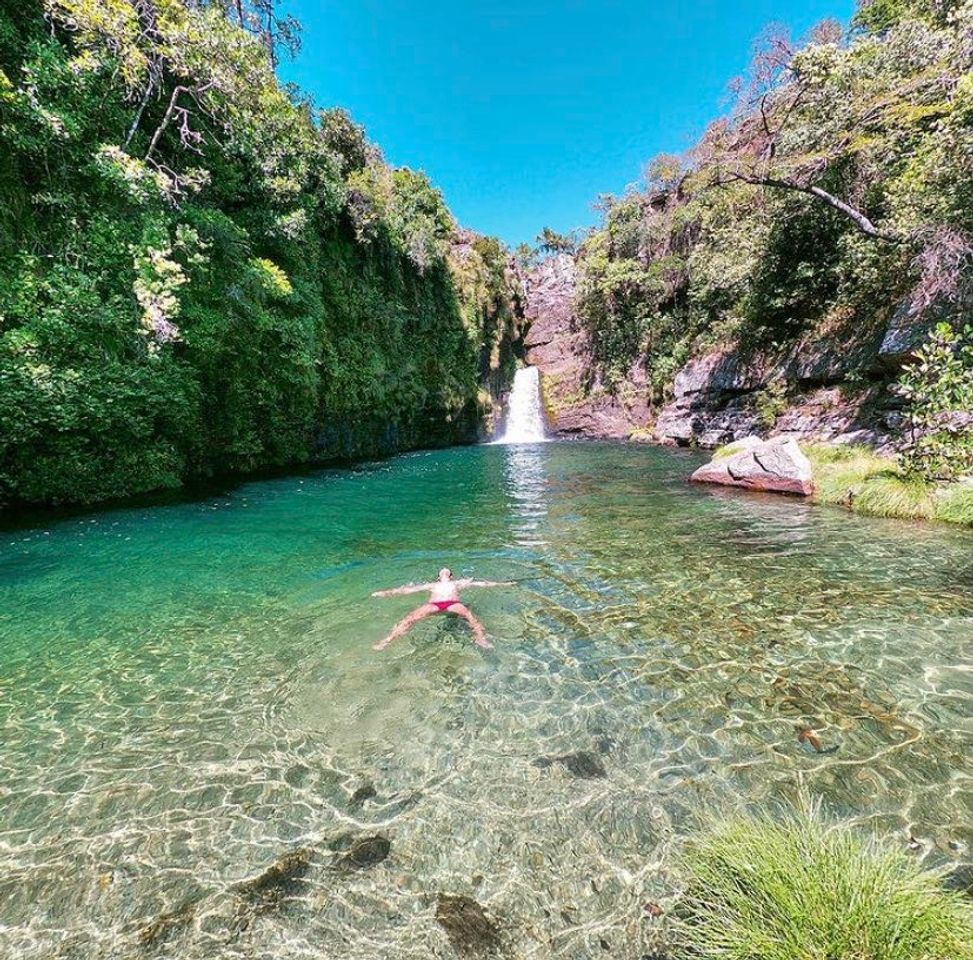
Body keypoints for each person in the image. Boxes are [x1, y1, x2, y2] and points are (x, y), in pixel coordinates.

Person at [371, 568, 513, 650]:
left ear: (451, 576)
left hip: (453, 604)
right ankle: (387, 640)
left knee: (471, 616)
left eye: (447, 571)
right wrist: (386, 593)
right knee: (409, 618)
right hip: (434, 605)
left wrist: (504, 585)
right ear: (439, 577)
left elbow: (482, 584)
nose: (444, 571)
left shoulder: (458, 583)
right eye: (442, 571)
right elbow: (408, 590)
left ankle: (480, 638)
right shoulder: (432, 585)